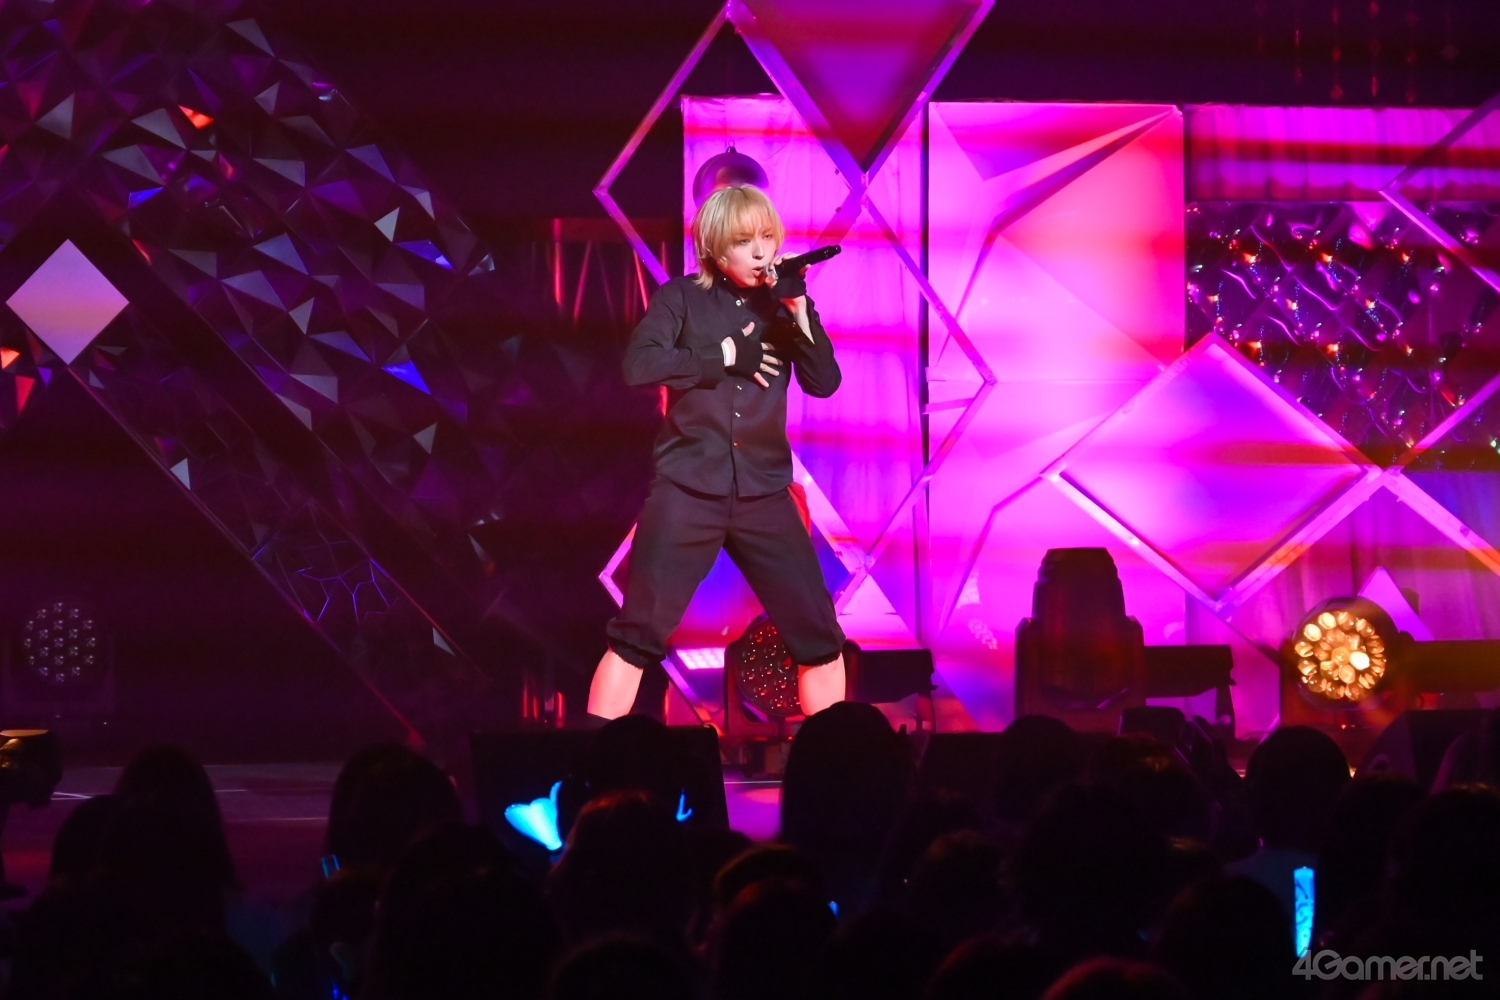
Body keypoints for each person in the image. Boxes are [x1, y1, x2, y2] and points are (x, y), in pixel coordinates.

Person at [587, 183, 846, 721]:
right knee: (635, 636)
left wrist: (799, 310)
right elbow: (639, 365)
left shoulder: (784, 303)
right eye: (744, 242)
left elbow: (824, 382)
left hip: (764, 493)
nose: (760, 252)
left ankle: (833, 756)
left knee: (819, 637)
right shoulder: (680, 298)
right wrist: (721, 356)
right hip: (687, 489)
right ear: (715, 248)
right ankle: (594, 758)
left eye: (767, 238)